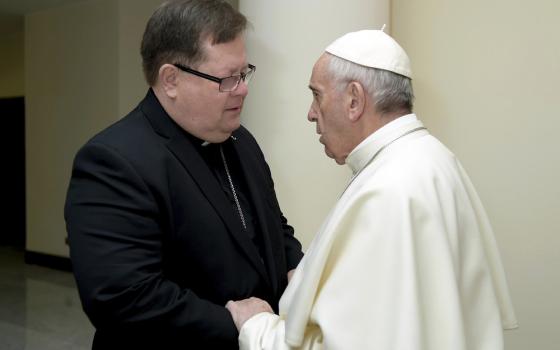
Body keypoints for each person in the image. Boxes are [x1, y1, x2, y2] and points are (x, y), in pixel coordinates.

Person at [225, 29, 518, 349]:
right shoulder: (431, 158)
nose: (311, 113)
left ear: (354, 100)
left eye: (317, 95)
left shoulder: (388, 191)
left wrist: (255, 325)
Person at [64, 1, 303, 348]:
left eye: (244, 72)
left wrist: (298, 271)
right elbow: (121, 298)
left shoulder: (242, 141)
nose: (243, 88)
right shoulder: (113, 161)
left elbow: (273, 230)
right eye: (227, 79)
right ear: (171, 79)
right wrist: (234, 321)